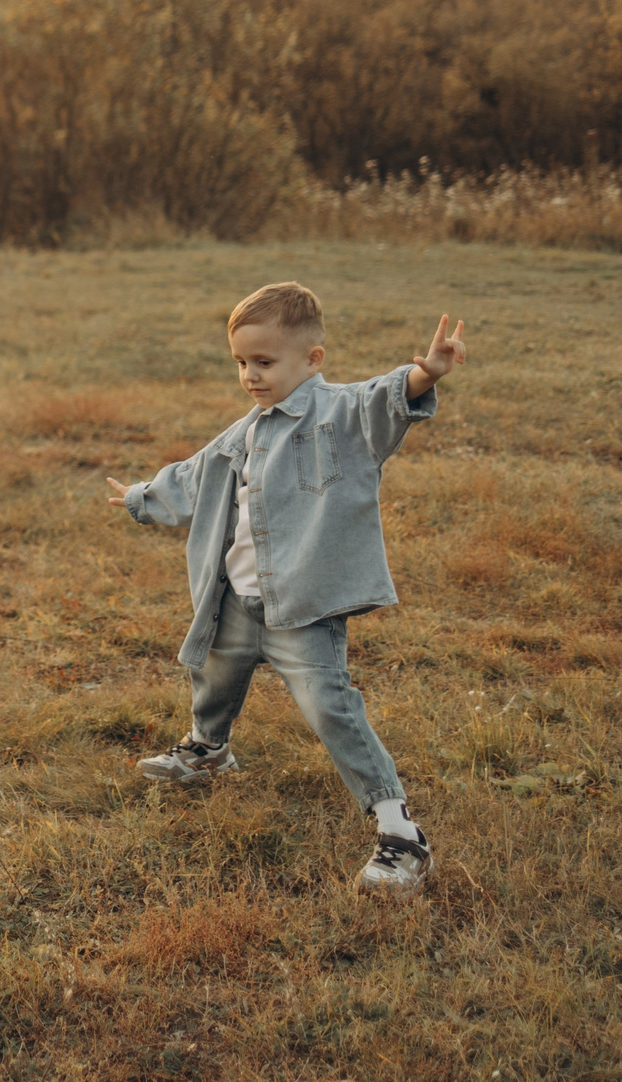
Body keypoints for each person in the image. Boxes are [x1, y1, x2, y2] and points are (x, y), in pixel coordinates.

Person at [105, 282, 469, 898]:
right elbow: (195, 472)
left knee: (331, 706)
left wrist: (425, 372)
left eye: (265, 363)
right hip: (239, 598)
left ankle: (401, 836)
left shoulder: (343, 416)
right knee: (215, 674)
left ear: (313, 360)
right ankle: (208, 750)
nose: (250, 375)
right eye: (242, 363)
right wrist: (143, 497)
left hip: (303, 607)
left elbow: (384, 398)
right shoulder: (246, 430)